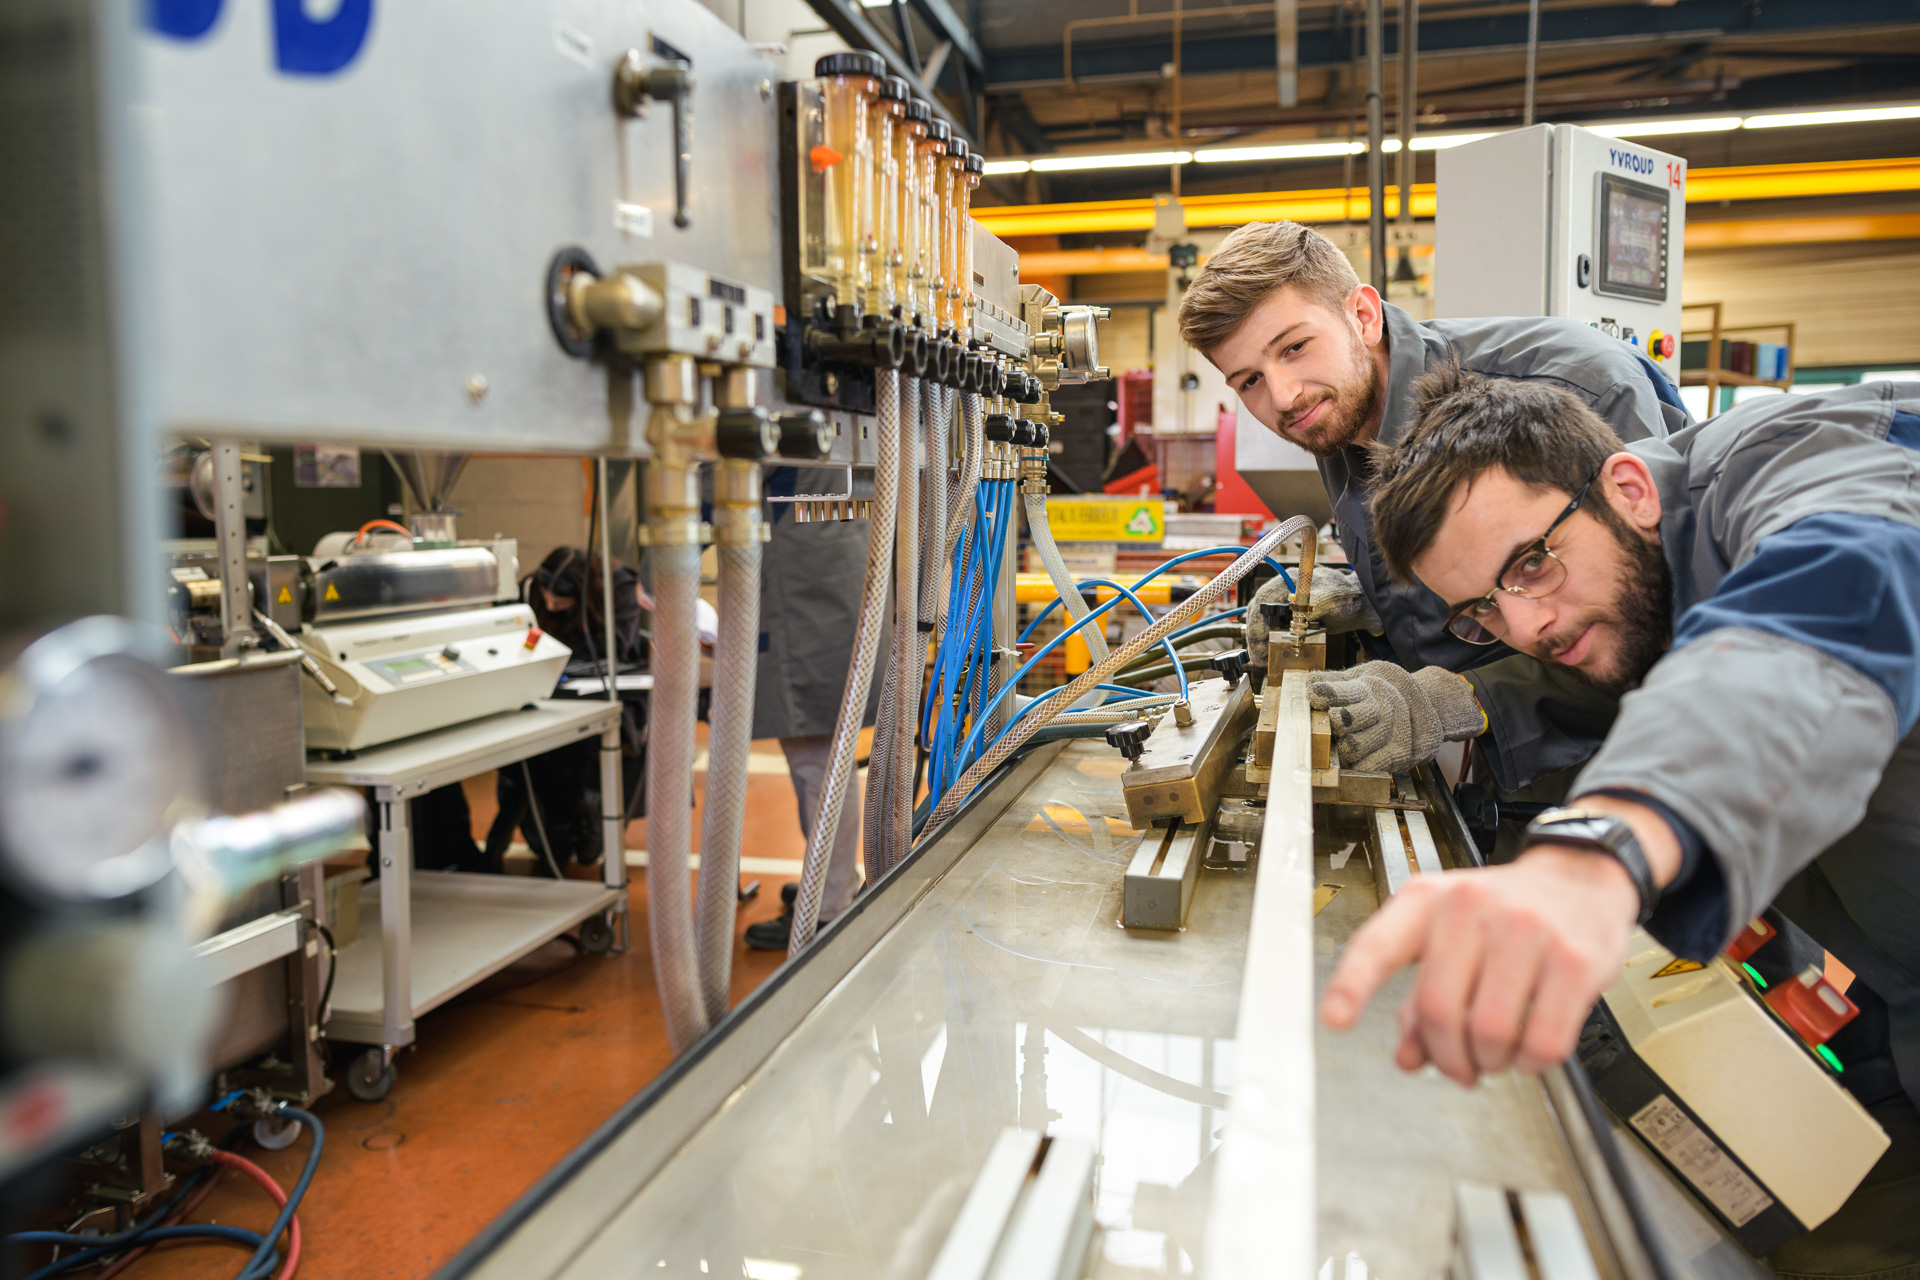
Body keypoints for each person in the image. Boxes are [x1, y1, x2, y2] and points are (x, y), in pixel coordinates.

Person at [1324, 369, 1920, 1273]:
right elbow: (1597, 667)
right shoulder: (1633, 570)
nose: (1526, 624)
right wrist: (1444, 701)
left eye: (1530, 564)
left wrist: (1596, 855)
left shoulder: (1800, 461)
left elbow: (1826, 603)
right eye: (1483, 609)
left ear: (1630, 489)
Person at [1176, 220, 1689, 792]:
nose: (1283, 396)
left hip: (1639, 768)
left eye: (1295, 347)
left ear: (1363, 317)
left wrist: (1451, 700)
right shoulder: (1337, 412)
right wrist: (1363, 602)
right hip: (1491, 774)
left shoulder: (1578, 385)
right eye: (1249, 381)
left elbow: (1658, 623)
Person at [742, 468, 887, 950]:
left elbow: (714, 476)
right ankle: (831, 885)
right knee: (822, 757)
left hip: (812, 584)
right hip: (830, 569)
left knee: (818, 758)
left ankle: (828, 907)